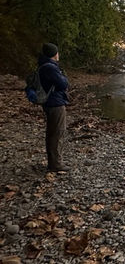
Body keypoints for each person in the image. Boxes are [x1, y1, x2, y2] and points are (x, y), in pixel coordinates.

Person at [39, 43, 70, 172]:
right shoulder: (50, 67)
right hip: (55, 103)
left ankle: (53, 162)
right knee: (57, 133)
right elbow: (63, 84)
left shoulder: (43, 65)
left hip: (50, 102)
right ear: (54, 54)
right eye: (57, 52)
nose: (58, 55)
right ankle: (56, 164)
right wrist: (63, 77)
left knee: (52, 133)